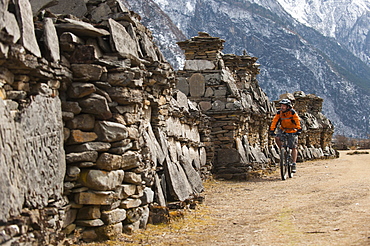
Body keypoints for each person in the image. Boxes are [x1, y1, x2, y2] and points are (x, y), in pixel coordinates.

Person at [269, 99, 302, 173]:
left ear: (288, 106)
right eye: (281, 105)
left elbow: (297, 121)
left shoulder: (292, 112)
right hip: (283, 129)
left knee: (293, 147)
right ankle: (283, 150)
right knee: (277, 138)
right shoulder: (279, 113)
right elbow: (274, 121)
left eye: (284, 106)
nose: (282, 107)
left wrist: (299, 129)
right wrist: (272, 130)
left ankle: (293, 163)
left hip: (292, 130)